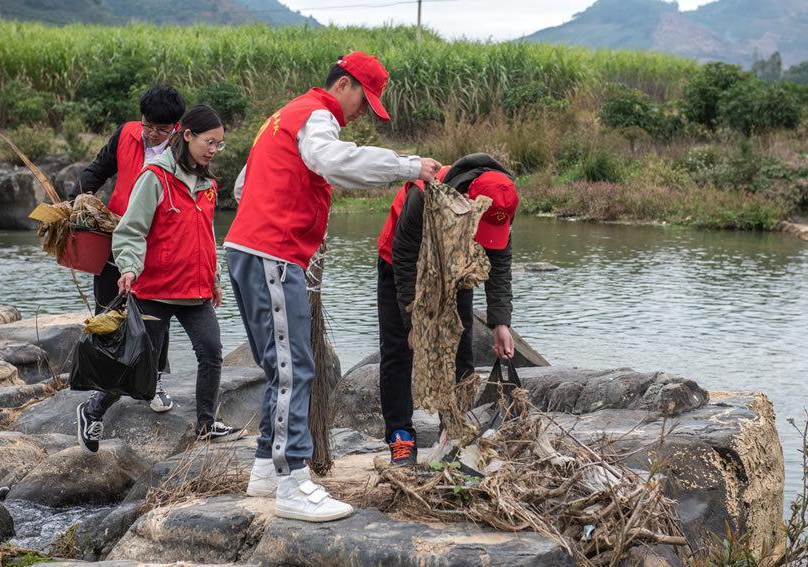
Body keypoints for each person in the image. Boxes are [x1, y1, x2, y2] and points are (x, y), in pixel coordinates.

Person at [225, 51, 441, 522]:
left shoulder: (283, 116)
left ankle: (266, 468)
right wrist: (408, 166)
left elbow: (244, 185)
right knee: (295, 367)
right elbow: (334, 161)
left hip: (248, 250)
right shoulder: (317, 116)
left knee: (279, 364)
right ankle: (294, 482)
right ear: (344, 84)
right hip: (272, 255)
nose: (364, 112)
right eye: (366, 101)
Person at [76, 104, 246, 454]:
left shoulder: (208, 184)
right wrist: (128, 267)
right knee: (137, 363)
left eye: (219, 144)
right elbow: (131, 229)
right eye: (209, 142)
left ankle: (205, 423)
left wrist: (213, 278)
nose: (213, 150)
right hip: (154, 290)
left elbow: (205, 234)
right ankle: (92, 409)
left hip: (195, 291)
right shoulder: (154, 176)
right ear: (187, 136)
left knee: (212, 351)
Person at [376, 153, 519, 465]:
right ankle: (401, 438)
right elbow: (403, 256)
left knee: (460, 349)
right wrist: (414, 320)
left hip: (455, 267)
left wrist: (500, 323)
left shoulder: (502, 200)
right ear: (465, 202)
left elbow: (499, 262)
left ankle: (452, 432)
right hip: (402, 265)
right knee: (400, 351)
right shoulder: (424, 194)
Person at [69, 85, 187, 414]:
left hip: (158, 243)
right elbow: (98, 169)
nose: (151, 134)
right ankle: (104, 381)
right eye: (147, 125)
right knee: (107, 307)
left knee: (154, 314)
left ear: (176, 128)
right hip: (114, 235)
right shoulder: (126, 134)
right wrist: (73, 202)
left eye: (161, 129)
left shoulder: (183, 153)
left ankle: (155, 382)